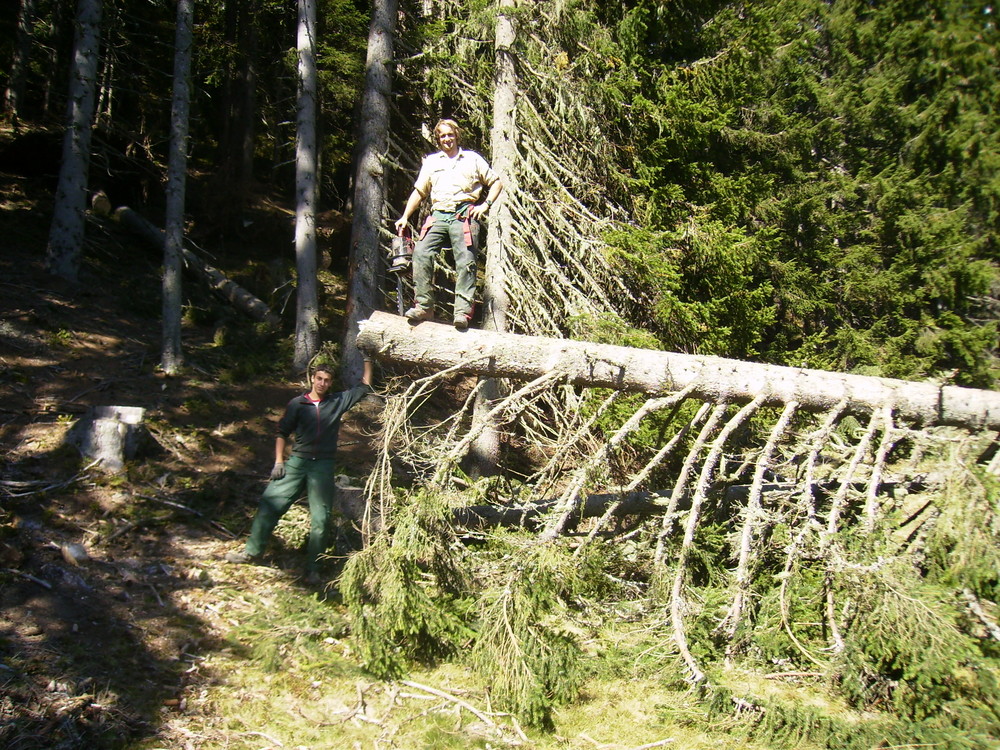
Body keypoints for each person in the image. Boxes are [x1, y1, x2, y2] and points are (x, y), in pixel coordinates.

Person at [225, 360, 374, 584]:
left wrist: (368, 358)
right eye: (319, 378)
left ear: (331, 383)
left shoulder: (337, 402)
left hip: (322, 466)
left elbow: (364, 387)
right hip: (296, 463)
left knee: (321, 519)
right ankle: (252, 553)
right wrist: (278, 461)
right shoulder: (297, 404)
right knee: (269, 504)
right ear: (312, 379)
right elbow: (282, 432)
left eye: (327, 380)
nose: (322, 383)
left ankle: (313, 570)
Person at [394, 119, 503, 330]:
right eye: (442, 136)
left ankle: (462, 312)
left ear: (456, 135)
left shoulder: (472, 159)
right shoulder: (432, 162)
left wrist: (485, 205)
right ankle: (424, 306)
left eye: (450, 135)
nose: (447, 139)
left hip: (464, 216)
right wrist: (405, 216)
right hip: (439, 215)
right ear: (438, 139)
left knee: (466, 262)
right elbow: (419, 192)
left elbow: (496, 182)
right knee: (422, 253)